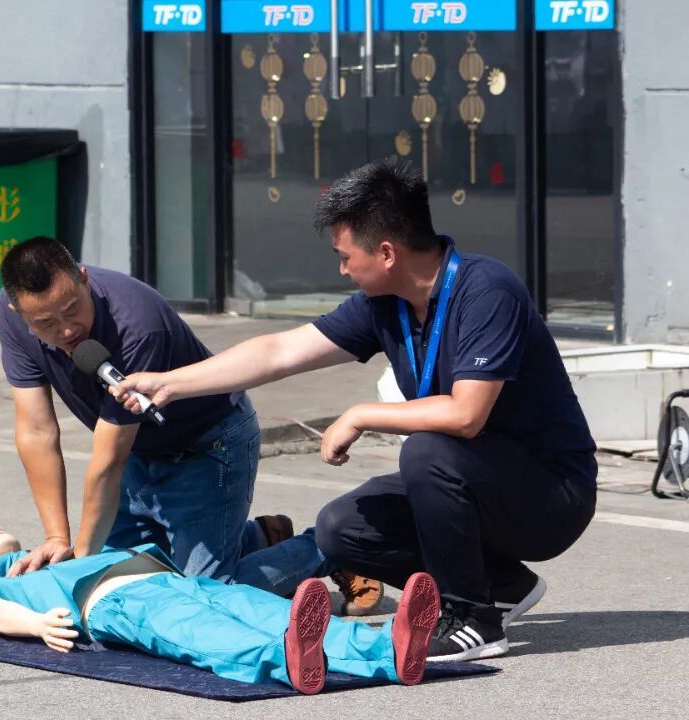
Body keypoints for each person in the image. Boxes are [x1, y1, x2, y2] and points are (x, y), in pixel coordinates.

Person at [112, 159, 597, 661]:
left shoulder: (487, 290)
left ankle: (472, 617)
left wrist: (360, 414)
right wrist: (170, 383)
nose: (342, 269)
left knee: (427, 452)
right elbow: (278, 352)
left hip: (551, 496)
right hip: (474, 479)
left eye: (345, 257)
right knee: (341, 528)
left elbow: (465, 414)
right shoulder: (385, 304)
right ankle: (503, 586)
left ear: (386, 252)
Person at [0, 236, 381, 610]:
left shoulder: (135, 323)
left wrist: (79, 568)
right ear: (18, 311)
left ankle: (332, 548)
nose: (66, 329)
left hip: (208, 444)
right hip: (141, 452)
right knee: (123, 578)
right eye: (46, 322)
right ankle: (259, 537)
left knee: (199, 597)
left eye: (72, 309)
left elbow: (108, 462)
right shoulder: (12, 315)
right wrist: (57, 537)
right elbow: (36, 430)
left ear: (83, 278)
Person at [0, 522, 441, 693]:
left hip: (174, 579)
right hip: (119, 602)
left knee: (260, 607)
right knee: (201, 631)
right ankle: (284, 659)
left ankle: (386, 649)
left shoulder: (42, 554)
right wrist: (36, 624)